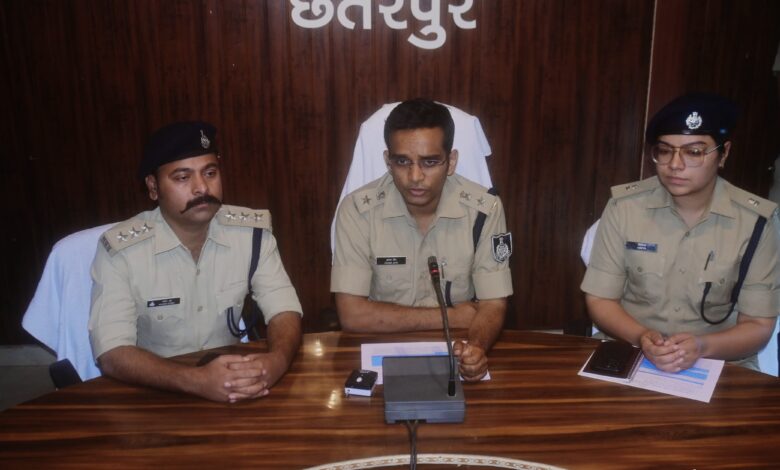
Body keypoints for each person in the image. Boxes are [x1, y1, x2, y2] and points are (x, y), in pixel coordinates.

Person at [89, 121, 303, 402]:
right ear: (153, 187)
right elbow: (112, 352)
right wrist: (197, 381)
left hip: (231, 387)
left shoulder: (251, 235)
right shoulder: (122, 251)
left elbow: (284, 309)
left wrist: (277, 362)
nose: (202, 187)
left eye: (210, 173)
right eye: (182, 177)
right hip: (155, 393)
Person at [582, 93, 780, 373]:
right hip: (630, 350)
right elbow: (601, 299)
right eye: (665, 151)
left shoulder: (756, 223)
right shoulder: (624, 208)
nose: (675, 164)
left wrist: (702, 346)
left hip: (717, 361)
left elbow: (758, 326)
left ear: (723, 154)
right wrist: (642, 337)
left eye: (694, 152)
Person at [331, 98, 512, 381]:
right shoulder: (357, 210)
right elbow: (352, 316)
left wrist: (476, 348)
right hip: (381, 353)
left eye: (430, 162)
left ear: (451, 162)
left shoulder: (484, 210)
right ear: (387, 161)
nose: (415, 177)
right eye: (402, 161)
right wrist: (453, 317)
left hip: (459, 349)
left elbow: (493, 304)